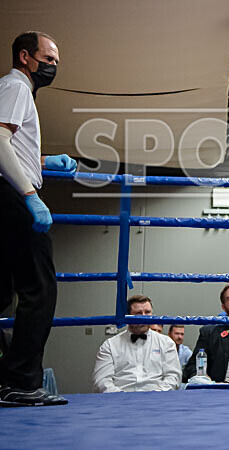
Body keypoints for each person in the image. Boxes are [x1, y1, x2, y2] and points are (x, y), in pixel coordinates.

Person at [0, 31, 74, 407]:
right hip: (12, 195)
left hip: (9, 193)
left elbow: (12, 144)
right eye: (48, 58)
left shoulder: (15, 91)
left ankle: (8, 380)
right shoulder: (15, 88)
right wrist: (30, 195)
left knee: (1, 291)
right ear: (26, 56)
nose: (54, 66)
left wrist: (45, 161)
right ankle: (21, 383)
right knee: (39, 289)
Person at [92, 296, 181, 392]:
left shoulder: (166, 343)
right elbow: (101, 381)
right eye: (138, 313)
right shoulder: (110, 345)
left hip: (157, 400)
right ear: (127, 315)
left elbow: (173, 377)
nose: (143, 317)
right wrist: (122, 399)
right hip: (119, 401)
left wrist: (156, 396)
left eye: (147, 312)